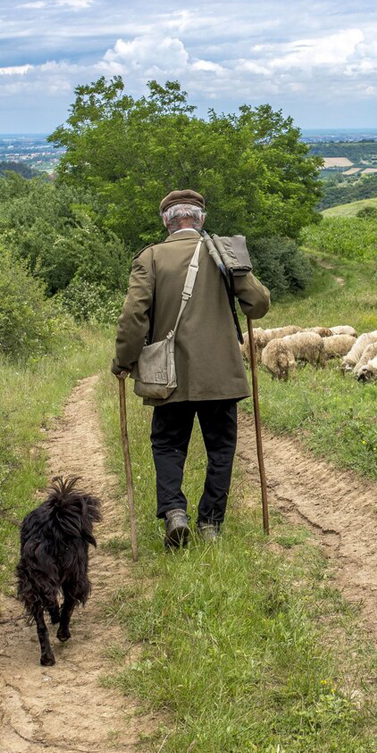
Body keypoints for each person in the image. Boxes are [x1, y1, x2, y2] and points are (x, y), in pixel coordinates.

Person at [112, 189, 270, 547]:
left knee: (168, 445)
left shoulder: (150, 258)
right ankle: (210, 525)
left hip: (169, 376)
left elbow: (133, 316)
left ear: (166, 221)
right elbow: (258, 305)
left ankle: (174, 513)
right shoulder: (223, 253)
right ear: (201, 219)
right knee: (221, 449)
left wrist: (123, 361)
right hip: (221, 376)